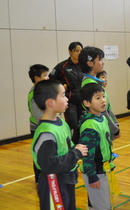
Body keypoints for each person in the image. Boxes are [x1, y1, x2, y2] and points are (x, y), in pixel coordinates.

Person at [31, 80, 88, 210]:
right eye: (63, 95)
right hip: (54, 184)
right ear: (50, 103)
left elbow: (68, 147)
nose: (67, 98)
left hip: (65, 179)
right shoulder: (46, 133)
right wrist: (75, 153)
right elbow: (49, 164)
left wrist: (79, 149)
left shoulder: (61, 122)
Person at [79, 83, 116, 210]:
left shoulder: (102, 119)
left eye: (103, 96)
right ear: (87, 103)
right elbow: (87, 154)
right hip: (96, 172)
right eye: (98, 98)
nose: (103, 100)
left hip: (104, 168)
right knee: (102, 206)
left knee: (101, 204)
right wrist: (92, 176)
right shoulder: (90, 125)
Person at [79, 46, 120, 140]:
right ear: (90, 63)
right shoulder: (89, 85)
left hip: (103, 123)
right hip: (99, 124)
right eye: (100, 59)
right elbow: (103, 110)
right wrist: (114, 129)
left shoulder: (95, 82)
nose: (103, 62)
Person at [49, 42, 84, 143]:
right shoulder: (62, 66)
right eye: (76, 51)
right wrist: (62, 84)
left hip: (83, 100)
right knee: (73, 125)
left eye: (81, 51)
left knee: (83, 123)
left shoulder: (84, 65)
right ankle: (71, 147)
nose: (79, 53)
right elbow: (51, 79)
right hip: (70, 101)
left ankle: (82, 146)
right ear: (70, 52)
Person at [28, 64, 49, 183]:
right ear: (36, 78)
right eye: (45, 76)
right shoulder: (34, 93)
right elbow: (38, 115)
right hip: (38, 128)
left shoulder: (41, 91)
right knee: (40, 154)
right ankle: (40, 179)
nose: (47, 78)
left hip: (43, 127)